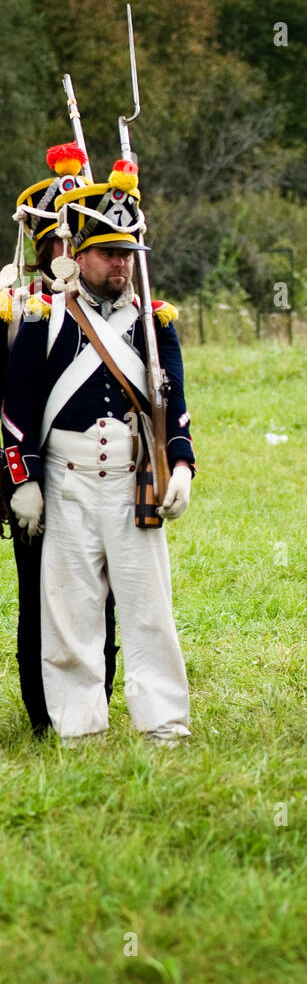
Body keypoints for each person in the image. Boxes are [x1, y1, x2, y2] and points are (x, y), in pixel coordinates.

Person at [2, 155, 195, 743]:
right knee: (70, 611)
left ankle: (163, 725)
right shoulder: (43, 318)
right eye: (110, 253)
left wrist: (181, 465)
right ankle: (78, 727)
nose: (121, 264)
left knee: (148, 612)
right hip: (66, 483)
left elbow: (175, 404)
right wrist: (23, 481)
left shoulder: (154, 324)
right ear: (78, 255)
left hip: (133, 482)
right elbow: (16, 410)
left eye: (128, 254)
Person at [3, 143, 118, 733]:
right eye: (56, 243)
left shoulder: (116, 312)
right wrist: (19, 481)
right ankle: (46, 713)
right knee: (41, 597)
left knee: (105, 592)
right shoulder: (20, 310)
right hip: (33, 476)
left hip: (104, 477)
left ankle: (96, 696)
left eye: (74, 243)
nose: (63, 253)